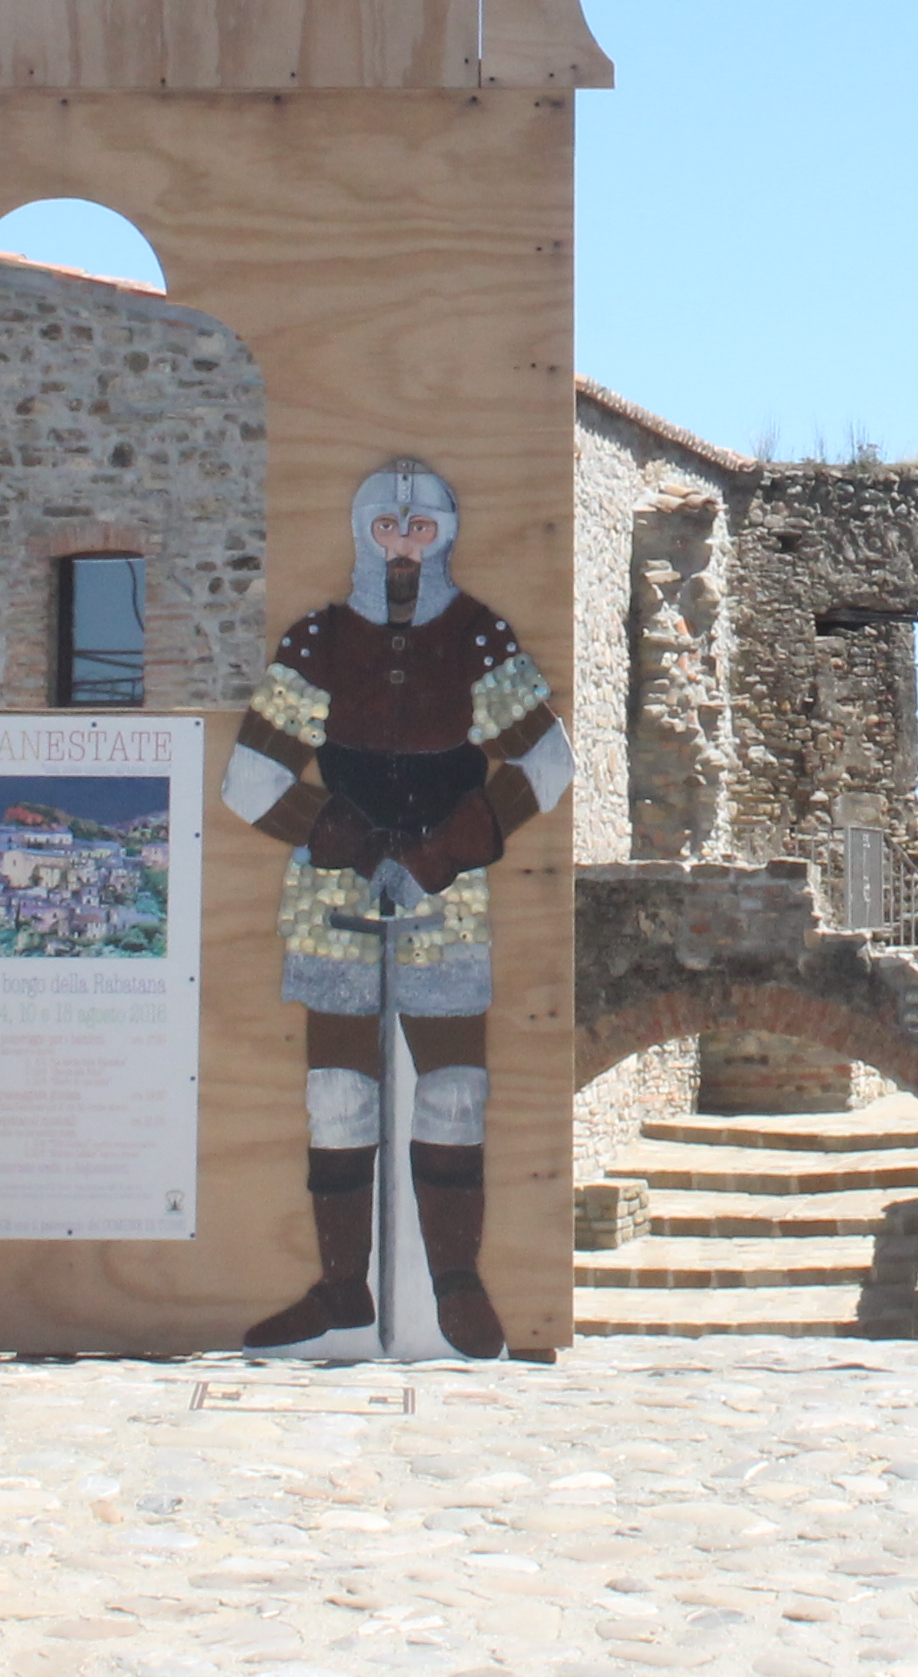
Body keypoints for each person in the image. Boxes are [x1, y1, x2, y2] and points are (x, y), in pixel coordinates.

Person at [220, 458, 570, 1360]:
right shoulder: (320, 641)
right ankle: (343, 1288)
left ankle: (456, 1283)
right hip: (333, 891)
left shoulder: (477, 637)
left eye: (420, 530)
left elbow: (547, 762)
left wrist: (448, 847)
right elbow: (250, 779)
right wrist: (335, 832)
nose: (404, 548)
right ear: (363, 535)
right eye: (388, 528)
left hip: (445, 892)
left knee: (454, 1093)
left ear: (444, 537)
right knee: (338, 1095)